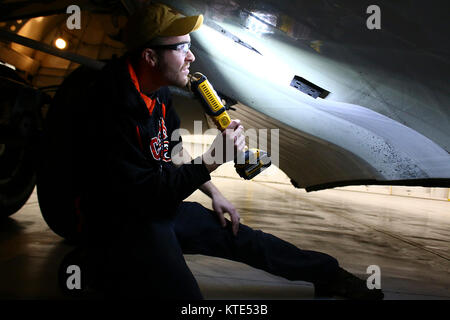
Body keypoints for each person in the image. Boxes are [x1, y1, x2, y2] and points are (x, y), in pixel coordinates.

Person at [70, 2, 384, 300]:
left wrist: (214, 193)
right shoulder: (110, 109)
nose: (191, 57)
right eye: (181, 48)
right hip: (122, 225)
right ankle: (98, 268)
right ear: (151, 57)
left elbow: (174, 152)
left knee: (241, 236)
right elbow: (147, 195)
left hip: (154, 211)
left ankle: (328, 274)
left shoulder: (158, 94)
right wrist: (211, 160)